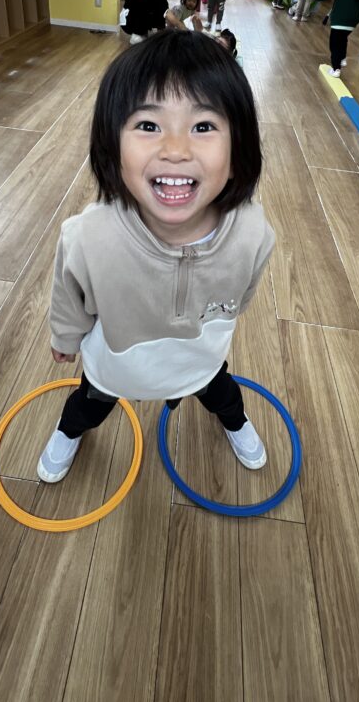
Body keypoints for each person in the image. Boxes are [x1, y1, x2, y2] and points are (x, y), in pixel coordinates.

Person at [37, 31, 275, 483]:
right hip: (118, 364)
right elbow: (68, 297)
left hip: (198, 359)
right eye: (148, 125)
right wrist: (65, 338)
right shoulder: (88, 237)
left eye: (203, 126)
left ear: (238, 147)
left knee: (224, 396)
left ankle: (236, 422)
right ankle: (69, 430)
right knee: (89, 404)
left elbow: (243, 293)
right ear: (112, 145)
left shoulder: (253, 233)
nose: (176, 150)